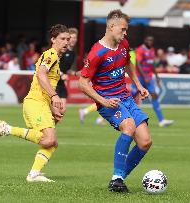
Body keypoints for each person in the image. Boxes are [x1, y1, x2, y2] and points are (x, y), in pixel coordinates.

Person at [78, 9, 152, 193]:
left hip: (126, 98)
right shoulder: (97, 52)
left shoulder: (123, 44)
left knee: (145, 142)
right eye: (123, 29)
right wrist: (102, 101)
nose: (125, 33)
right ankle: (117, 177)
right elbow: (82, 83)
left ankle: (118, 180)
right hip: (109, 102)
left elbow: (128, 63)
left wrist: (138, 84)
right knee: (128, 127)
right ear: (111, 27)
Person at [0, 24, 70, 182]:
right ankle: (7, 129)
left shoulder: (56, 58)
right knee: (49, 140)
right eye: (62, 39)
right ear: (53, 39)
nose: (66, 42)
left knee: (52, 143)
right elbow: (41, 75)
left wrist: (52, 107)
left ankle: (34, 174)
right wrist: (54, 96)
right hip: (35, 102)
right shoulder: (51, 54)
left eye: (68, 39)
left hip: (42, 104)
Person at [134, 36, 174, 127]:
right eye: (148, 40)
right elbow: (138, 64)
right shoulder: (140, 50)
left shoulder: (152, 50)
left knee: (154, 95)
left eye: (151, 40)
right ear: (145, 41)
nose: (150, 42)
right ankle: (105, 117)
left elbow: (152, 65)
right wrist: (144, 76)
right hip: (140, 77)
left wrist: (156, 76)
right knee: (129, 97)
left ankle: (161, 120)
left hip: (149, 77)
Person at [56, 27, 79, 112]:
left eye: (75, 38)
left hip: (61, 84)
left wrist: (75, 73)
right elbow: (53, 66)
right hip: (53, 83)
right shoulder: (62, 50)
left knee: (62, 110)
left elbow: (66, 69)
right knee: (55, 110)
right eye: (71, 38)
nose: (73, 40)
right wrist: (61, 74)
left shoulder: (72, 53)